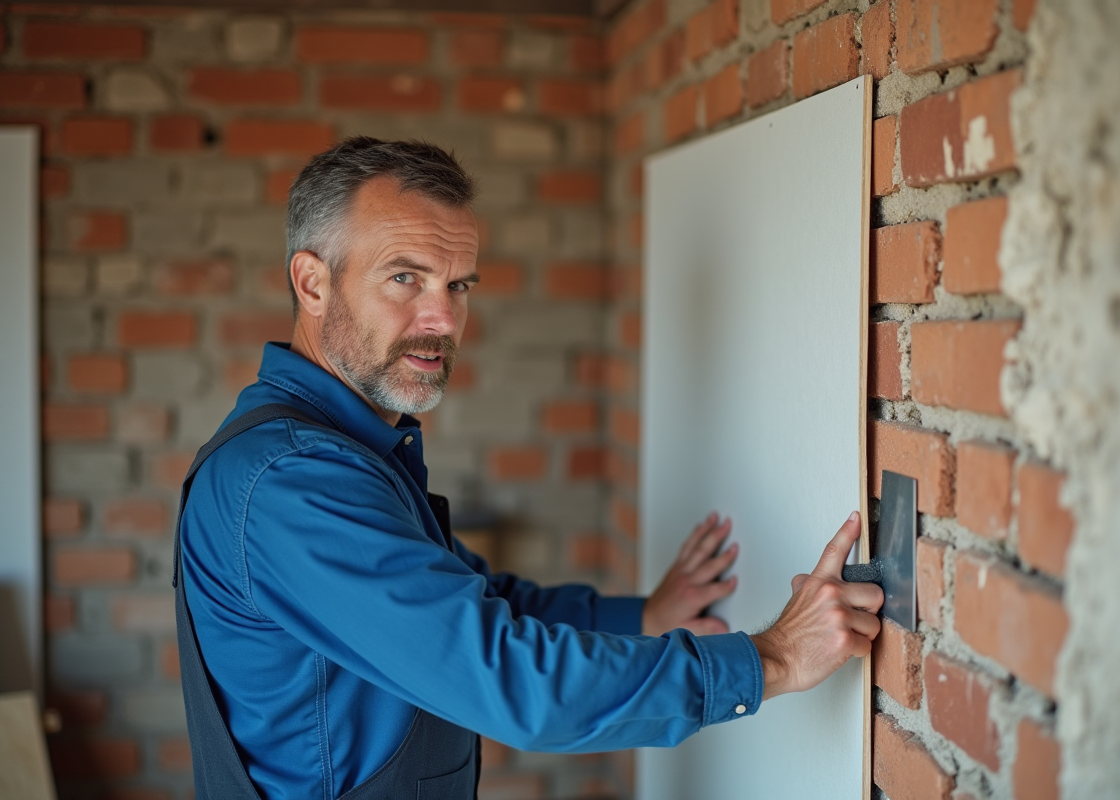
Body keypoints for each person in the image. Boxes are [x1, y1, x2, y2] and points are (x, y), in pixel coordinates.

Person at [175, 137, 885, 800]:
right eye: (405, 278)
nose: (445, 320)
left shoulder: (340, 450)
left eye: (458, 286)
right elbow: (511, 680)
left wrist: (643, 616)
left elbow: (478, 599)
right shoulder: (291, 483)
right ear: (313, 283)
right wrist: (774, 660)